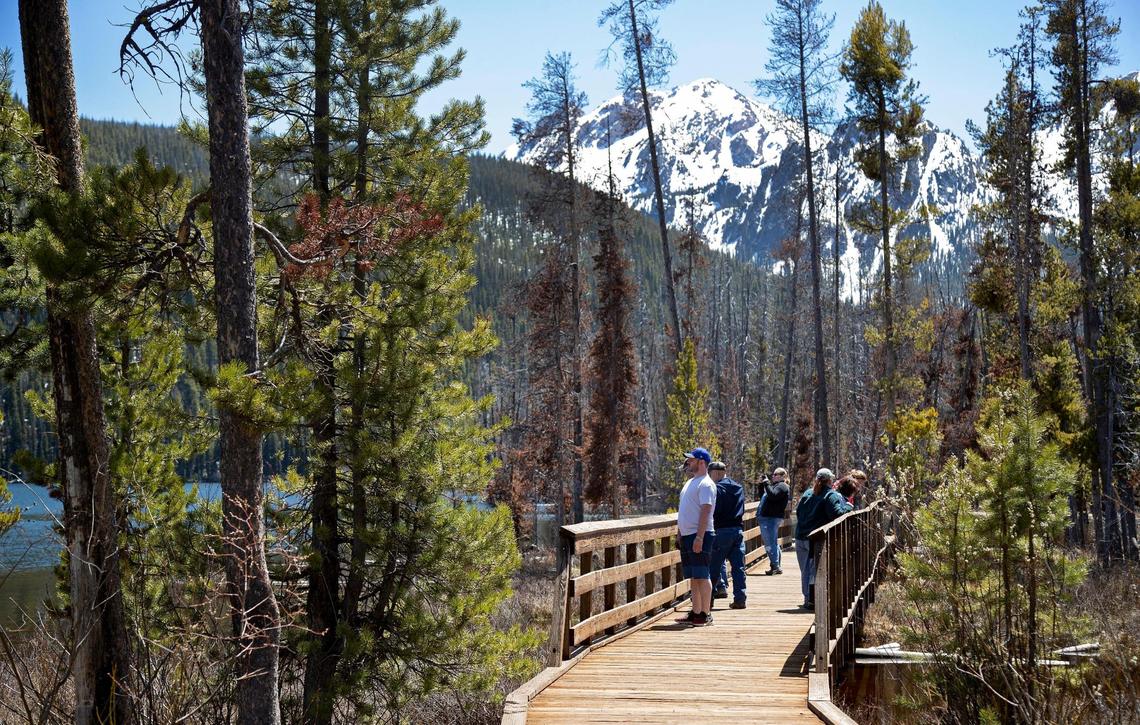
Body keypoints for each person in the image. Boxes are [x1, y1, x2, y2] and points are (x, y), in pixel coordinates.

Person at [794, 468, 853, 609]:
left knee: (805, 570)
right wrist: (849, 507)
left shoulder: (807, 493)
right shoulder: (830, 495)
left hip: (800, 536)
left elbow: (798, 512)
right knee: (815, 570)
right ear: (829, 480)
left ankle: (807, 598)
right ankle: (814, 600)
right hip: (814, 538)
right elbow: (837, 514)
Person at [675, 447, 716, 626]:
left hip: (700, 534)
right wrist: (679, 533)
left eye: (691, 460)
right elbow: (684, 511)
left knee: (702, 574)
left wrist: (699, 537)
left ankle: (705, 613)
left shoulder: (706, 484)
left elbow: (706, 510)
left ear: (701, 462)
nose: (688, 463)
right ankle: (696, 611)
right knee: (693, 576)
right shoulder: (691, 482)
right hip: (687, 535)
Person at [708, 461, 747, 609]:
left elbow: (714, 510)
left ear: (716, 473)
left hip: (720, 531)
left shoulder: (716, 488)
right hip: (737, 530)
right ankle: (740, 599)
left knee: (713, 567)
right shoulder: (738, 487)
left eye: (710, 473)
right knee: (738, 567)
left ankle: (708, 601)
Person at [757, 467, 791, 575]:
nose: (773, 476)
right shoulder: (776, 486)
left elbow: (773, 495)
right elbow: (764, 496)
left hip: (771, 518)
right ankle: (775, 566)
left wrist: (766, 483)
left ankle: (775, 566)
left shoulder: (782, 486)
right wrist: (761, 484)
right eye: (773, 474)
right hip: (767, 518)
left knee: (769, 543)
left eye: (775, 474)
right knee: (772, 542)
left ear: (782, 476)